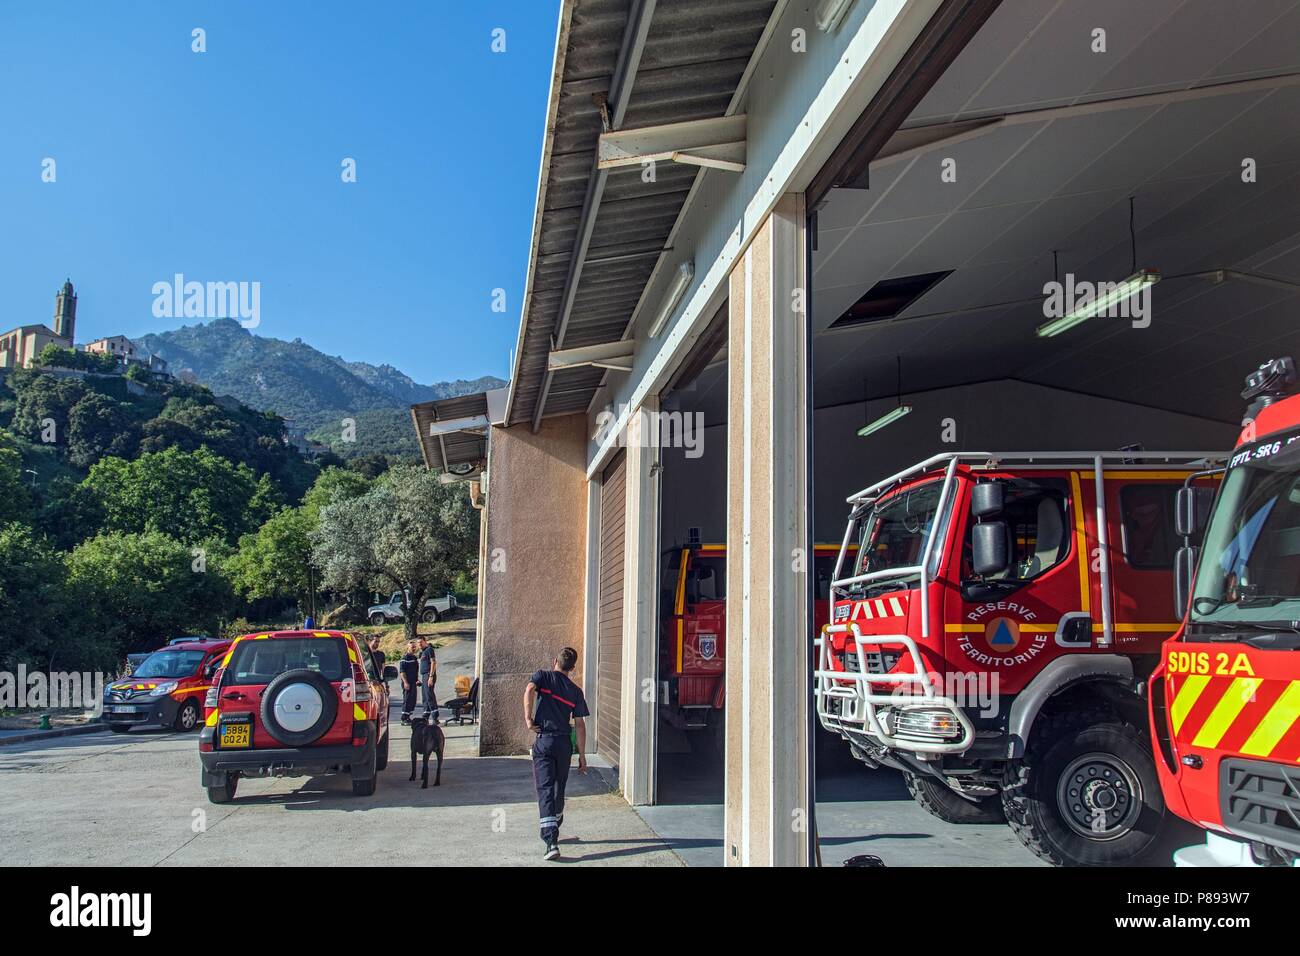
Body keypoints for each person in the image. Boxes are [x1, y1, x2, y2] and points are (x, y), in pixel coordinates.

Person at [523, 647, 589, 861]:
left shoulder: (543, 676)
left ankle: (551, 841)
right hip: (563, 745)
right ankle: (555, 818)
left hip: (544, 741)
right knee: (558, 787)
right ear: (573, 668)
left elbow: (529, 689)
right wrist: (582, 755)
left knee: (545, 789)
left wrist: (528, 719)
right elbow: (579, 725)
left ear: (555, 661)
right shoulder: (575, 691)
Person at [398, 640, 420, 724]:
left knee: (412, 700)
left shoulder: (414, 658)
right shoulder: (405, 658)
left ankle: (408, 717)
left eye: (415, 647)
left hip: (413, 682)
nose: (414, 648)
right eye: (412, 647)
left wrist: (417, 680)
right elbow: (402, 672)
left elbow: (415, 671)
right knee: (407, 700)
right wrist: (405, 682)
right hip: (407, 682)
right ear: (408, 647)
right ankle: (404, 718)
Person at [417, 637, 438, 722]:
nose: (419, 644)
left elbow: (433, 662)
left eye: (421, 642)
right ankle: (426, 715)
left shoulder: (429, 650)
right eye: (418, 643)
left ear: (425, 641)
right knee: (425, 696)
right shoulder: (422, 652)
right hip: (424, 675)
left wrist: (431, 676)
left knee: (429, 695)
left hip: (429, 675)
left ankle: (435, 716)